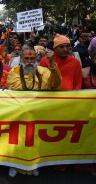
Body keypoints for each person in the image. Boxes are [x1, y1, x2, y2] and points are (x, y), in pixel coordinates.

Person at [7, 45, 61, 177]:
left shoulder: (45, 71)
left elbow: (56, 85)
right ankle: (15, 165)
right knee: (17, 143)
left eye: (32, 58)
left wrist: (52, 64)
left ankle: (33, 166)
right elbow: (16, 87)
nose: (30, 61)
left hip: (38, 116)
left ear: (37, 58)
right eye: (26, 58)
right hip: (19, 116)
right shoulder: (14, 72)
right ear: (21, 59)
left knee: (36, 143)